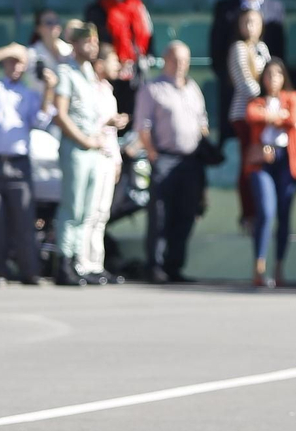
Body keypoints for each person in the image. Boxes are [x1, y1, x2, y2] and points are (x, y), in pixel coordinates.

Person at [0, 43, 57, 285]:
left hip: (18, 163)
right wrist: (8, 50)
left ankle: (30, 271)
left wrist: (49, 89)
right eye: (12, 62)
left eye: (20, 63)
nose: (16, 67)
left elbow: (41, 120)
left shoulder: (28, 94)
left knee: (24, 219)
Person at [136, 41, 209, 283]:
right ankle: (155, 265)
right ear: (166, 60)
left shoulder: (193, 88)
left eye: (185, 61)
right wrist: (153, 154)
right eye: (176, 60)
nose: (180, 65)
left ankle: (174, 265)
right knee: (160, 215)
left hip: (190, 160)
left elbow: (202, 122)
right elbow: (143, 127)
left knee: (186, 213)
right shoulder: (153, 89)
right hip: (165, 158)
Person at [242, 60, 296, 287]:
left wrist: (273, 116)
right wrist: (279, 116)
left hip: (287, 160)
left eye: (277, 74)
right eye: (268, 75)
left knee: (284, 214)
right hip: (262, 162)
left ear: (284, 77)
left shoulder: (293, 97)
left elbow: (295, 119)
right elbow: (252, 115)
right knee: (266, 211)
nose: (273, 79)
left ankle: (279, 267)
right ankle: (259, 267)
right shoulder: (257, 101)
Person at [51, 22, 108, 287]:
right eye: (87, 41)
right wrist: (85, 139)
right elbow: (61, 115)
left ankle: (77, 260)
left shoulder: (88, 73)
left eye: (95, 42)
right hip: (76, 147)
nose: (93, 46)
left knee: (86, 210)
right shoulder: (66, 72)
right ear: (74, 44)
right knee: (71, 207)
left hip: (92, 147)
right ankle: (63, 262)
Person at [209, 0, 287, 135]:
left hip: (266, 89)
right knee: (235, 135)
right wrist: (231, 79)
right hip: (234, 91)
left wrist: (270, 83)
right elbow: (217, 49)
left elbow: (279, 50)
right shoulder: (224, 8)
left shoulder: (276, 8)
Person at [86, 43, 129, 284]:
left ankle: (96, 264)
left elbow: (111, 135)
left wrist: (117, 159)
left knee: (102, 213)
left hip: (107, 157)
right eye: (114, 61)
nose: (118, 66)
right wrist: (108, 122)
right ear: (100, 64)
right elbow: (87, 123)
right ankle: (84, 263)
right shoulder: (89, 89)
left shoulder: (108, 91)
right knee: (90, 212)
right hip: (93, 155)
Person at [92, 0, 152, 116]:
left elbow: (147, 35)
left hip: (133, 70)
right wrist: (115, 60)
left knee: (134, 111)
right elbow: (98, 38)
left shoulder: (138, 7)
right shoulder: (98, 9)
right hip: (110, 67)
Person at [28, 10, 73, 80]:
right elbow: (34, 82)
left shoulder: (70, 49)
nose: (54, 25)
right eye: (49, 22)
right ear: (38, 28)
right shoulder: (31, 54)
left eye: (56, 22)